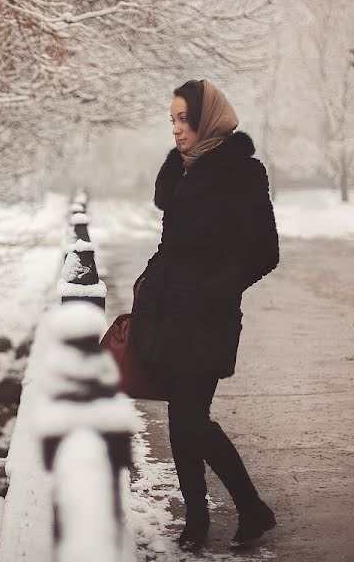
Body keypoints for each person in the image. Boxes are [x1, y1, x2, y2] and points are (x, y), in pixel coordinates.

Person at [132, 79, 279, 551]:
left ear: (207, 118)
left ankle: (239, 510)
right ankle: (213, 517)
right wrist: (151, 279)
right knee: (182, 421)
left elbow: (265, 251)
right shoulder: (181, 172)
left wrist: (215, 288)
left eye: (183, 119)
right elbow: (171, 246)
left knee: (191, 420)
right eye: (171, 119)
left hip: (209, 317)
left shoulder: (242, 172)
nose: (175, 129)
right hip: (171, 314)